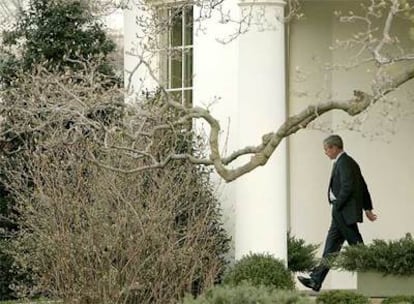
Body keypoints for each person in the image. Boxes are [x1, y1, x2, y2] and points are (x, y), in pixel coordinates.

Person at [297, 134, 377, 292]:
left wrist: (337, 205)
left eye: (326, 149)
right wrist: (367, 208)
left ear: (334, 148)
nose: (325, 153)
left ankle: (376, 271)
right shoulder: (347, 162)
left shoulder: (344, 163)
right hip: (342, 211)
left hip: (342, 211)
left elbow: (349, 187)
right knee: (332, 247)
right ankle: (316, 280)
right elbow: (363, 186)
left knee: (356, 245)